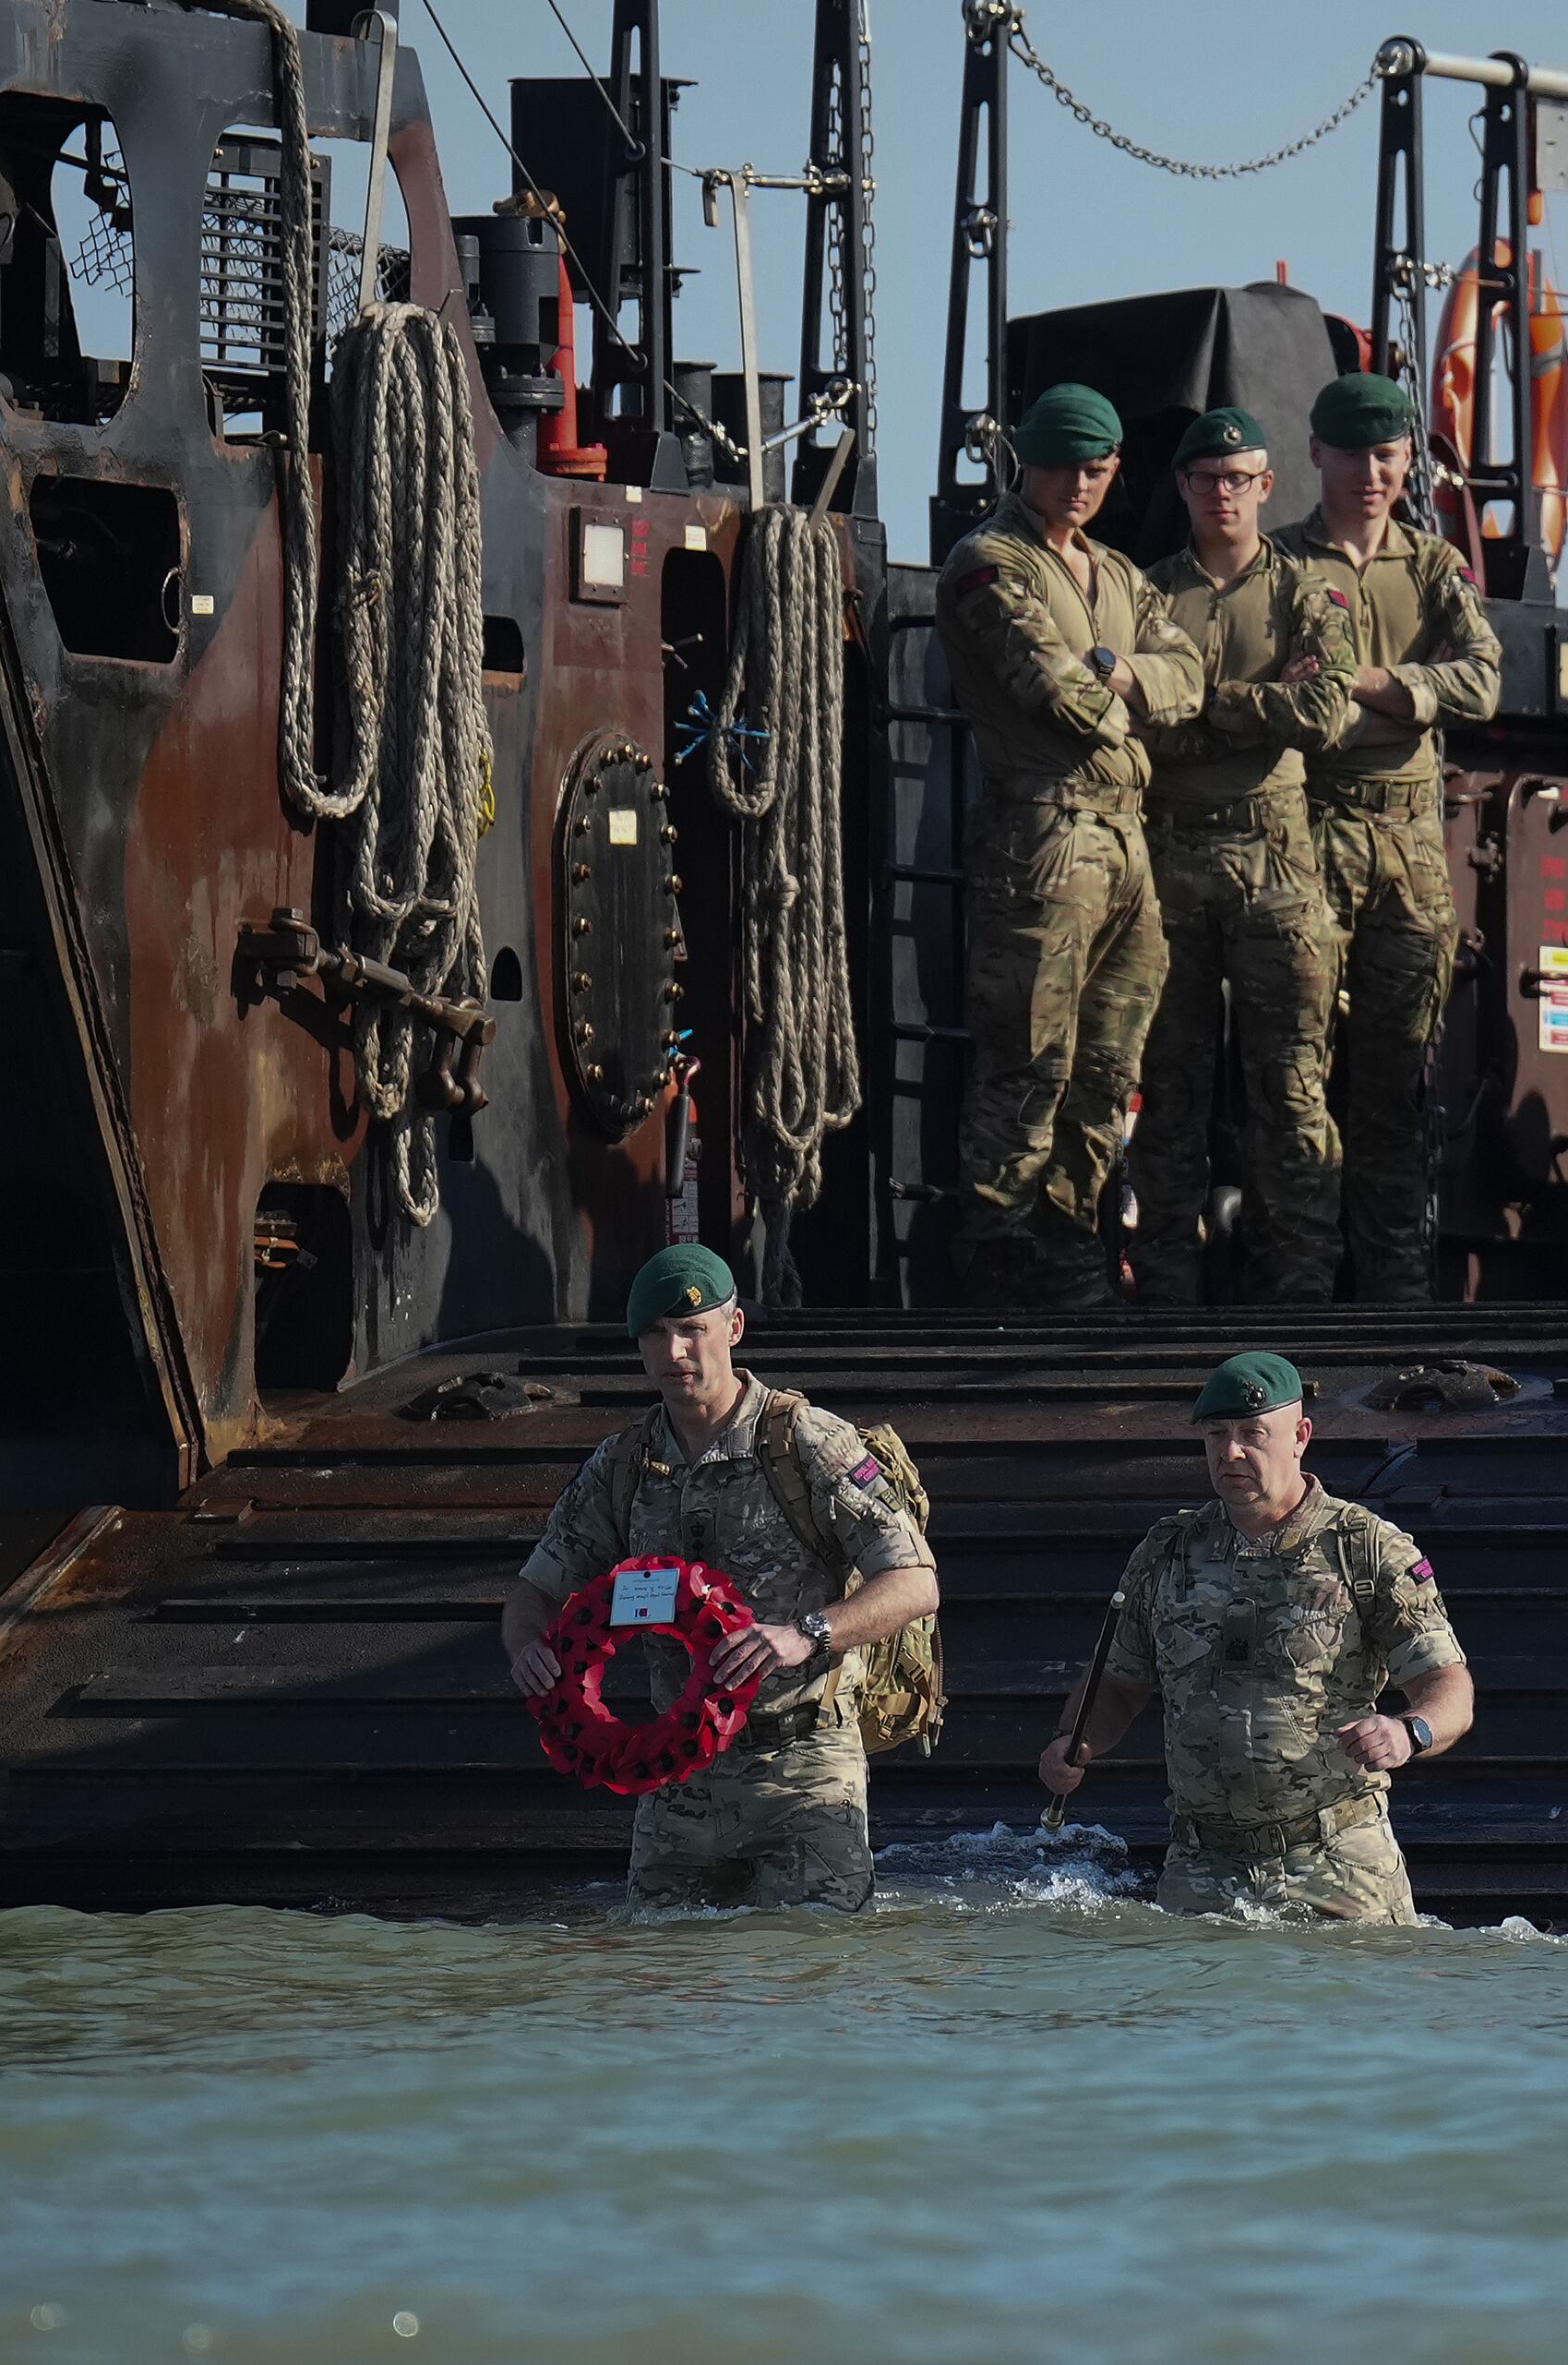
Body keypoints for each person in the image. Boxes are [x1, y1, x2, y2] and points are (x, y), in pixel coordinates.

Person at [503, 1244, 944, 1912]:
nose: (676, 1350)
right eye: (656, 1333)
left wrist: (806, 1634)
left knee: (812, 1976)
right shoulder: (623, 1464)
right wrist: (530, 1648)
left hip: (803, 1770)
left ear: (733, 1328)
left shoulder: (807, 1443)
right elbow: (533, 1590)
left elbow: (915, 1581)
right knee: (664, 1988)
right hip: (676, 1785)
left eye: (692, 1329)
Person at [936, 382, 1206, 1304]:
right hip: (1043, 836)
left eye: (1096, 468)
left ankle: (1071, 1263)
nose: (1077, 484)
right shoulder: (991, 562)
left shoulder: (1121, 577)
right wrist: (1132, 688)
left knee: (1106, 1068)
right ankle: (997, 1268)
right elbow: (1061, 697)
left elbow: (1190, 681)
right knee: (1027, 1062)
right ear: (1023, 458)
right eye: (1060, 465)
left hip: (1125, 841)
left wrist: (1123, 671)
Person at [1039, 1350, 1472, 1925]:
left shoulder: (1365, 1550)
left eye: (1251, 1433)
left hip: (1337, 1864)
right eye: (1216, 1435)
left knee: (1353, 2012)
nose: (1231, 1452)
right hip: (1202, 1868)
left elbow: (1448, 1686)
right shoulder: (1166, 1553)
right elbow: (1117, 1684)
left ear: (1300, 1436)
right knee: (1194, 2015)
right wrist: (1078, 1740)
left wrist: (1409, 1731)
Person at [1281, 372, 1504, 1303]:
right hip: (1306, 835)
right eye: (1352, 454)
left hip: (1410, 850)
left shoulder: (1433, 566)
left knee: (1394, 1079)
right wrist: (1408, 691)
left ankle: (1394, 1290)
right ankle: (1295, 1279)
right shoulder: (1280, 566)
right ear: (1315, 456)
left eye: (1387, 455)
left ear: (1408, 458)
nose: (1370, 473)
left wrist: (1381, 687)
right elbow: (1294, 706)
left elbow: (1482, 682)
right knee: (1295, 1076)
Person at [1133, 407, 1356, 1305]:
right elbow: (1129, 716)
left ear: (1267, 487)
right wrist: (1258, 703)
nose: (1222, 493)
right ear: (1183, 487)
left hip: (1277, 867)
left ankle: (1300, 1291)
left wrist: (1199, 704)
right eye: (1205, 478)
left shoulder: (1310, 591)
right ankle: (1161, 1295)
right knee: (1165, 1093)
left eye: (1239, 478)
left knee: (1292, 1092)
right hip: (1167, 864)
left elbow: (1325, 712)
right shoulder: (1144, 595)